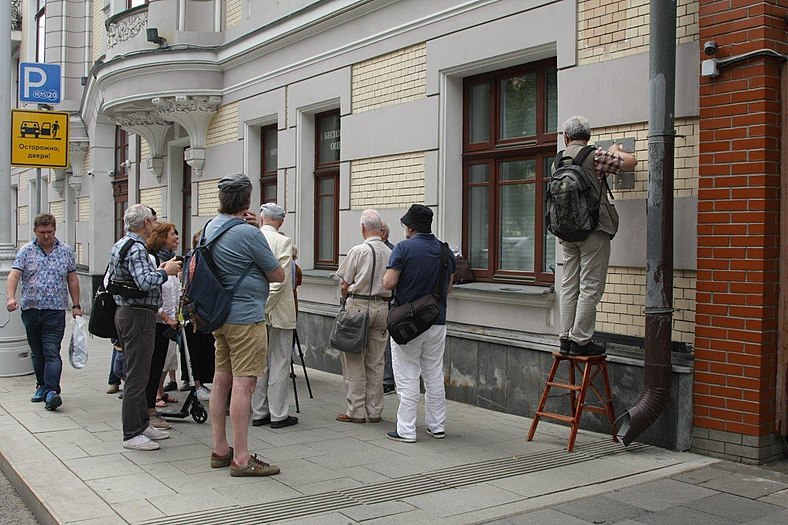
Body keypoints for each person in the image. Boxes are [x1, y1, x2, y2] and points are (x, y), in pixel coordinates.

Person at [206, 174, 284, 477]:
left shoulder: (212, 227)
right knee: (244, 384)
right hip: (246, 318)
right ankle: (241, 458)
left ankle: (220, 448)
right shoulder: (250, 235)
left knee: (221, 379)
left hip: (219, 315)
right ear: (247, 201)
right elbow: (277, 274)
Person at [557, 115, 637, 356]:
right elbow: (630, 162)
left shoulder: (558, 161)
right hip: (593, 229)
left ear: (566, 137)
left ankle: (565, 336)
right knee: (591, 285)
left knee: (569, 283)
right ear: (588, 137)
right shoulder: (596, 156)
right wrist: (616, 150)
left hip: (567, 231)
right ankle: (580, 340)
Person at [109, 204, 182, 451]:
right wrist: (166, 271)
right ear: (146, 224)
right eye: (153, 220)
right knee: (137, 375)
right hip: (137, 315)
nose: (154, 223)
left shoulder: (122, 244)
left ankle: (142, 425)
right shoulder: (137, 247)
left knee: (142, 372)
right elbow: (144, 281)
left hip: (132, 313)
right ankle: (132, 433)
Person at [383, 204, 455, 443]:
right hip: (437, 321)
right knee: (434, 374)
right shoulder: (446, 252)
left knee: (407, 375)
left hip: (407, 323)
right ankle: (437, 426)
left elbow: (389, 283)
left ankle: (406, 429)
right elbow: (449, 287)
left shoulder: (403, 248)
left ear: (410, 227)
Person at [6, 213, 82, 411]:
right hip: (31, 309)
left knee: (51, 351)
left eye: (49, 232)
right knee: (38, 352)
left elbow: (72, 279)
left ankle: (52, 392)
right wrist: (11, 297)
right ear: (35, 232)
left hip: (55, 311)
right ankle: (41, 385)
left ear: (55, 230)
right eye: (42, 232)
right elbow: (14, 276)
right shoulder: (26, 251)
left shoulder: (65, 251)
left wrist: (76, 305)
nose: (46, 236)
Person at [335, 209, 392, 424]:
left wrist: (345, 298)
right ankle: (375, 410)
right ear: (380, 229)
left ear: (362, 228)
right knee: (376, 362)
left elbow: (344, 284)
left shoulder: (358, 251)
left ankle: (356, 411)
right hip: (382, 308)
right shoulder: (390, 252)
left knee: (354, 360)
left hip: (357, 306)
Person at [251, 203, 298, 429]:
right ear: (280, 221)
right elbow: (280, 281)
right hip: (277, 311)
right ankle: (278, 414)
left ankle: (259, 412)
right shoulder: (283, 241)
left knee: (259, 363)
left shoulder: (251, 238)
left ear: (261, 218)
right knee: (279, 362)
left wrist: (260, 307)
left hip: (255, 310)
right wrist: (267, 307)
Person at [145, 222, 181, 429]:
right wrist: (165, 316)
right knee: (152, 367)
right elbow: (150, 292)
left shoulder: (171, 261)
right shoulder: (153, 260)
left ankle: (151, 408)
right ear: (161, 238)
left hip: (169, 322)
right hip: (156, 321)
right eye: (171, 234)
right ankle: (148, 410)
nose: (176, 237)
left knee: (160, 365)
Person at [380, 221, 396, 396]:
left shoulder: (393, 251)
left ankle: (387, 380)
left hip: (387, 302)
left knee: (385, 345)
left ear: (384, 233)